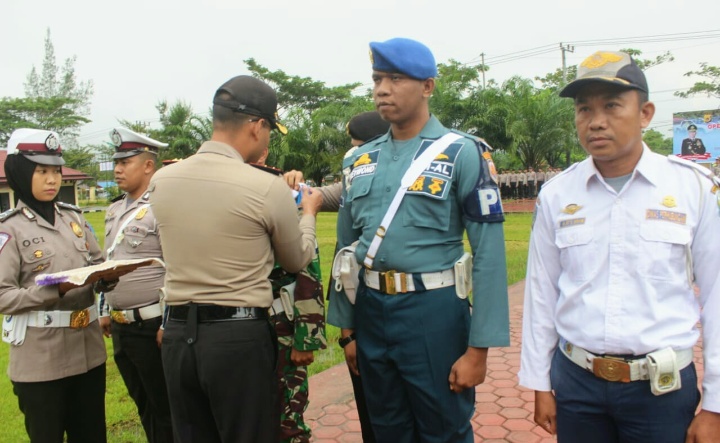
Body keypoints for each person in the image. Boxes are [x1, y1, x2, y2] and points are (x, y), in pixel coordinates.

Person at [518, 50, 720, 443]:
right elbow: (541, 293)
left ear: (645, 113)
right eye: (583, 109)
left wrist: (715, 405)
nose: (595, 121)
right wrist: (539, 383)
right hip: (577, 384)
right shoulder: (558, 195)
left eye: (612, 106)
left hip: (660, 390)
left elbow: (717, 297)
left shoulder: (692, 188)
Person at [329, 37, 510, 442]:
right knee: (386, 427)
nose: (381, 89)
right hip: (372, 313)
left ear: (427, 86)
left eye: (395, 78)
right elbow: (347, 250)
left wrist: (479, 349)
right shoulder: (359, 159)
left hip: (433, 313)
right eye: (377, 78)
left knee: (443, 428)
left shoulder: (462, 153)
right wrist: (348, 330)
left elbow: (489, 256)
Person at [148, 74, 323, 443]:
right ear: (258, 126)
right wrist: (308, 215)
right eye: (270, 129)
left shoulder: (163, 180)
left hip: (178, 336)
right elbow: (295, 260)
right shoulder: (265, 186)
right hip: (237, 338)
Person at [283, 110, 391, 443]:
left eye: (357, 147)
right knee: (373, 414)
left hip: (405, 311)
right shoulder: (351, 182)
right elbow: (314, 196)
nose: (353, 156)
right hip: (363, 312)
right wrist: (292, 184)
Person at [0, 128, 108, 442]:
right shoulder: (10, 229)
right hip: (41, 361)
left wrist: (107, 279)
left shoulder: (74, 219)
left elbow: (97, 265)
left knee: (91, 436)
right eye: (42, 171)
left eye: (56, 171)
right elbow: (3, 295)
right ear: (21, 172)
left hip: (88, 354)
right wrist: (53, 290)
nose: (52, 179)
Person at [98, 127, 174, 443]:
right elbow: (109, 260)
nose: (117, 169)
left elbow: (176, 266)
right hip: (121, 327)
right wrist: (104, 309)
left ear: (147, 166)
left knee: (166, 408)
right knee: (143, 405)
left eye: (126, 161)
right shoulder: (115, 209)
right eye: (116, 161)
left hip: (152, 324)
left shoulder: (162, 205)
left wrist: (169, 322)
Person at [249, 148, 327, 443]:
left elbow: (307, 272)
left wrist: (304, 339)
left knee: (287, 418)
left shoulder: (283, 196)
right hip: (238, 330)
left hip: (281, 326)